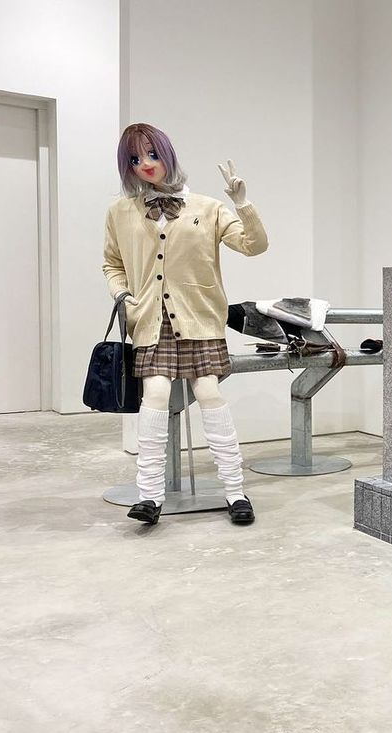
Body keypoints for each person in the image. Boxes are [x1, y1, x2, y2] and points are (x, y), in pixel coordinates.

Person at [101, 123, 269, 525]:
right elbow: (112, 263)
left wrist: (242, 203)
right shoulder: (120, 212)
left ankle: (235, 491)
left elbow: (254, 246)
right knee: (155, 395)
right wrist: (121, 294)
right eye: (135, 159)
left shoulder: (208, 208)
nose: (145, 164)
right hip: (150, 321)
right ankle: (149, 496)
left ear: (167, 154)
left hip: (199, 319)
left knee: (209, 393)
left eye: (152, 154)